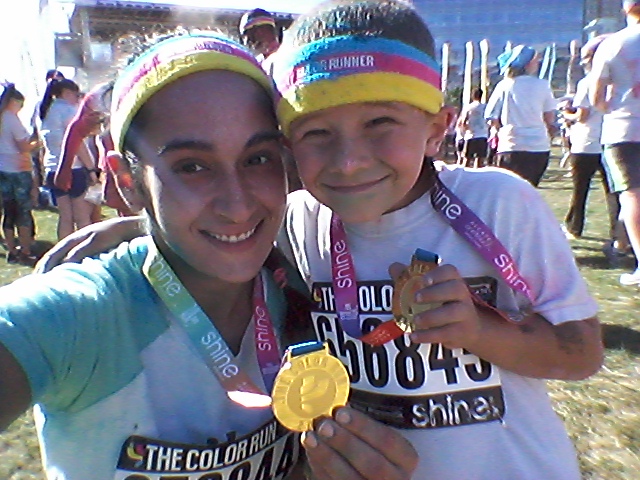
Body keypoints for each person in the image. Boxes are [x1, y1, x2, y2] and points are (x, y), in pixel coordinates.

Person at [39, 2, 604, 479]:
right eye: (316, 133)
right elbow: (220, 225)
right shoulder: (299, 219)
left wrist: (483, 332)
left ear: (436, 128)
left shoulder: (502, 204)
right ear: (289, 145)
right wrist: (139, 226)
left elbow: (582, 352)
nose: (349, 161)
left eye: (380, 124)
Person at [2, 32, 417, 480]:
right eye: (192, 167)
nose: (237, 206)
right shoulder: (83, 315)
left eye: (257, 159)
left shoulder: (299, 282)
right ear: (126, 180)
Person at [590, 0, 640, 285]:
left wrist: (609, 106)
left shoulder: (612, 44)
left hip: (624, 129)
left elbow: (596, 96)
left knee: (632, 196)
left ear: (625, 10)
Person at [561, 35, 612, 240]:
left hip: (586, 143)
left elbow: (582, 115)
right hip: (611, 141)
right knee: (614, 193)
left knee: (580, 190)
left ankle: (574, 227)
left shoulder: (587, 82)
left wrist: (567, 115)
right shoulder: (618, 79)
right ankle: (620, 233)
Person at [485, 44, 558, 187]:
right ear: (528, 64)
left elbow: (492, 116)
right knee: (530, 189)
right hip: (538, 145)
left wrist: (499, 132)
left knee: (508, 189)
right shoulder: (543, 85)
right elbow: (549, 117)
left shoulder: (504, 85)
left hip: (511, 145)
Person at [39, 78, 97, 239]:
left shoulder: (46, 112)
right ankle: (87, 249)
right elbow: (77, 144)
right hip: (73, 168)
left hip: (53, 168)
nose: (78, 99)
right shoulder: (68, 111)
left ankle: (65, 250)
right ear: (66, 93)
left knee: (65, 217)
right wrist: (91, 169)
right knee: (82, 217)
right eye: (76, 95)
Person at [0, 84, 40, 264]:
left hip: (3, 169)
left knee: (9, 212)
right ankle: (25, 249)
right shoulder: (12, 119)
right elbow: (23, 146)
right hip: (18, 169)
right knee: (23, 211)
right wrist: (37, 144)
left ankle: (11, 249)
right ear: (14, 102)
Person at [239, 8, 281, 75]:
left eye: (246, 35)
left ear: (258, 32)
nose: (246, 41)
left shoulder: (282, 60)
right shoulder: (258, 61)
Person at [456, 87, 488, 168]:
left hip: (471, 136)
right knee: (480, 161)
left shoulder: (468, 107)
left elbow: (463, 122)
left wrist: (467, 130)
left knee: (466, 160)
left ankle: (464, 174)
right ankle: (477, 175)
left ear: (472, 96)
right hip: (483, 135)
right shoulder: (485, 107)